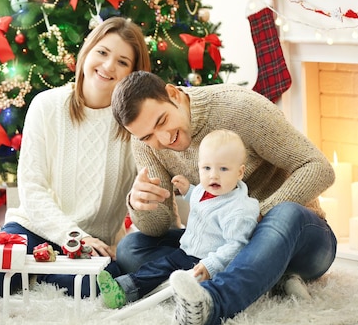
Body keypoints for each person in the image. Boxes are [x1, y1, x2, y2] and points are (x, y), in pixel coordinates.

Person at [110, 70, 337, 325]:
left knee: (285, 214)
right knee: (131, 248)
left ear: (173, 94)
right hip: (222, 242)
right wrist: (140, 204)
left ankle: (213, 303)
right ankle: (267, 278)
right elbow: (158, 228)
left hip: (296, 239)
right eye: (147, 136)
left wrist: (255, 218)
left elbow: (319, 168)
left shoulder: (239, 108)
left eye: (162, 121)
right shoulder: (146, 144)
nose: (161, 139)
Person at [0, 17, 151, 299]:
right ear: (88, 51)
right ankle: (36, 269)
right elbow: (31, 188)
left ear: (133, 72)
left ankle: (35, 273)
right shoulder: (47, 105)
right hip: (34, 229)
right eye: (102, 53)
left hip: (93, 242)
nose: (107, 67)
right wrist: (72, 238)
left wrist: (122, 241)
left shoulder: (134, 125)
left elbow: (144, 195)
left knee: (93, 288)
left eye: (122, 62)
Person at [96, 129, 259, 309]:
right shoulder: (206, 191)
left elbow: (236, 246)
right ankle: (122, 285)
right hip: (187, 249)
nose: (213, 175)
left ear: (239, 172)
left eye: (223, 169)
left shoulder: (238, 210)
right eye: (206, 168)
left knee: (160, 270)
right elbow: (201, 204)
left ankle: (124, 291)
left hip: (204, 261)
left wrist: (211, 265)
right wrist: (188, 190)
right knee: (158, 266)